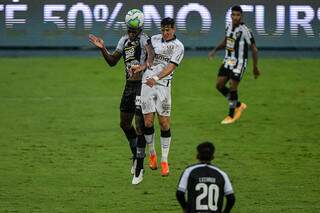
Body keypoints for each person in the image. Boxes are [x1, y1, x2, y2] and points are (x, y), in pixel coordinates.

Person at [88, 9, 154, 184]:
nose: (131, 33)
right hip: (129, 86)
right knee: (125, 124)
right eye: (129, 30)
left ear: (140, 28)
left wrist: (143, 67)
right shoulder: (123, 40)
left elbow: (151, 58)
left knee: (140, 127)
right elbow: (112, 62)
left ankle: (140, 168)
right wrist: (103, 49)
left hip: (142, 86)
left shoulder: (145, 39)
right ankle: (135, 155)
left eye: (134, 30)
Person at [130, 17, 184, 179]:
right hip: (147, 84)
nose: (165, 33)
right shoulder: (153, 39)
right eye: (163, 30)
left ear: (174, 29)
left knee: (164, 123)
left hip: (163, 86)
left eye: (168, 30)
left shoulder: (178, 46)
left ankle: (164, 160)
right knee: (147, 122)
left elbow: (171, 67)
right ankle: (152, 154)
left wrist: (157, 78)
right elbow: (150, 58)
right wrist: (141, 67)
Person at [208, 5, 261, 124]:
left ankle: (231, 116)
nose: (236, 17)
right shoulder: (228, 26)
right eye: (234, 15)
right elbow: (227, 41)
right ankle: (238, 105)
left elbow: (254, 49)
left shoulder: (245, 30)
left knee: (233, 86)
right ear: (231, 16)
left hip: (239, 63)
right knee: (219, 85)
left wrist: (255, 67)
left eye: (238, 15)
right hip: (228, 61)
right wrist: (215, 50)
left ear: (241, 16)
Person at [176, 142, 235, 213]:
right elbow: (231, 198)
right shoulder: (222, 174)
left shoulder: (189, 171)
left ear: (198, 156)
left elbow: (180, 193)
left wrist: (185, 208)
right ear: (213, 156)